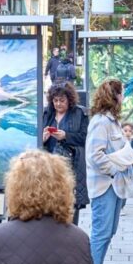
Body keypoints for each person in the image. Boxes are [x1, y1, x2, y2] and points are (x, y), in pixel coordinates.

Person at [85, 79, 133, 264]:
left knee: (110, 230)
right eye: (122, 93)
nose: (124, 97)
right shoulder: (101, 122)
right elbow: (94, 155)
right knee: (101, 231)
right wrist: (115, 170)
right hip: (104, 185)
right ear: (114, 96)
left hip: (114, 186)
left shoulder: (112, 121)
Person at [41, 82, 89, 224]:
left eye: (62, 100)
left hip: (72, 166)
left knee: (71, 205)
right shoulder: (46, 113)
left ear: (69, 100)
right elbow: (37, 141)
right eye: (55, 100)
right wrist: (42, 139)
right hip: (49, 168)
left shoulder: (80, 113)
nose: (58, 104)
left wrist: (66, 136)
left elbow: (85, 138)